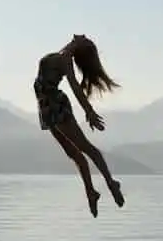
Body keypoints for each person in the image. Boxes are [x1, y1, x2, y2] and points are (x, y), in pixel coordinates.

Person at [33, 34, 125, 218]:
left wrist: (89, 111)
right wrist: (76, 42)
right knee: (73, 154)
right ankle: (91, 192)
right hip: (45, 107)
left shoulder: (65, 59)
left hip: (55, 105)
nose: (80, 35)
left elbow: (75, 87)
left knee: (85, 148)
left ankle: (110, 182)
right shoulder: (63, 53)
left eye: (83, 39)